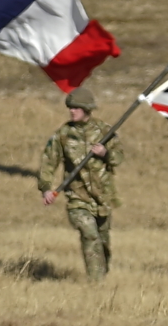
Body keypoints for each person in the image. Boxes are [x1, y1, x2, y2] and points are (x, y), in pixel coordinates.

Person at [38, 85, 122, 281]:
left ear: (86, 109)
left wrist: (105, 153)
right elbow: (48, 162)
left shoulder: (104, 131)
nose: (71, 111)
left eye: (75, 108)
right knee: (89, 235)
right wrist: (45, 188)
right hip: (78, 198)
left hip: (103, 198)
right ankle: (95, 284)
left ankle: (103, 276)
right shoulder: (64, 135)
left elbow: (119, 158)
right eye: (70, 108)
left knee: (103, 242)